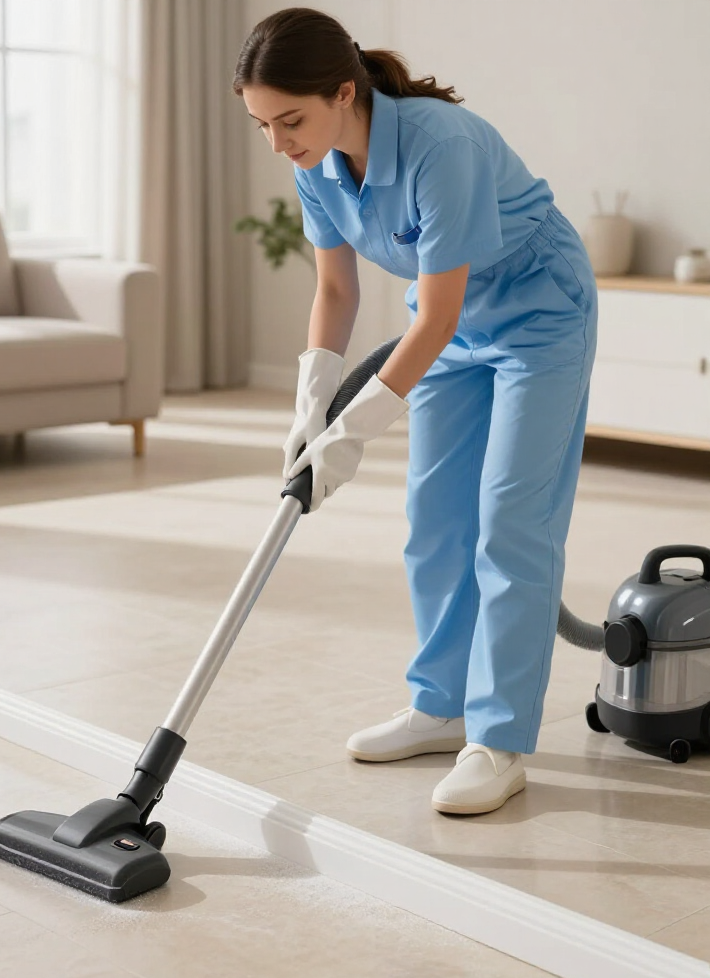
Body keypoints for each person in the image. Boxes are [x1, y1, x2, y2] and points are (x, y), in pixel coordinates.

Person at [234, 8, 597, 815]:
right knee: (435, 521)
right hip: (455, 330)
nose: (279, 142)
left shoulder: (442, 145)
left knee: (510, 520)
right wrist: (311, 403)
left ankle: (497, 740)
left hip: (539, 313)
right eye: (261, 124)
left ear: (342, 92)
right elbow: (336, 289)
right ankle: (441, 706)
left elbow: (431, 317)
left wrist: (353, 432)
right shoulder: (316, 163)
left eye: (289, 120)